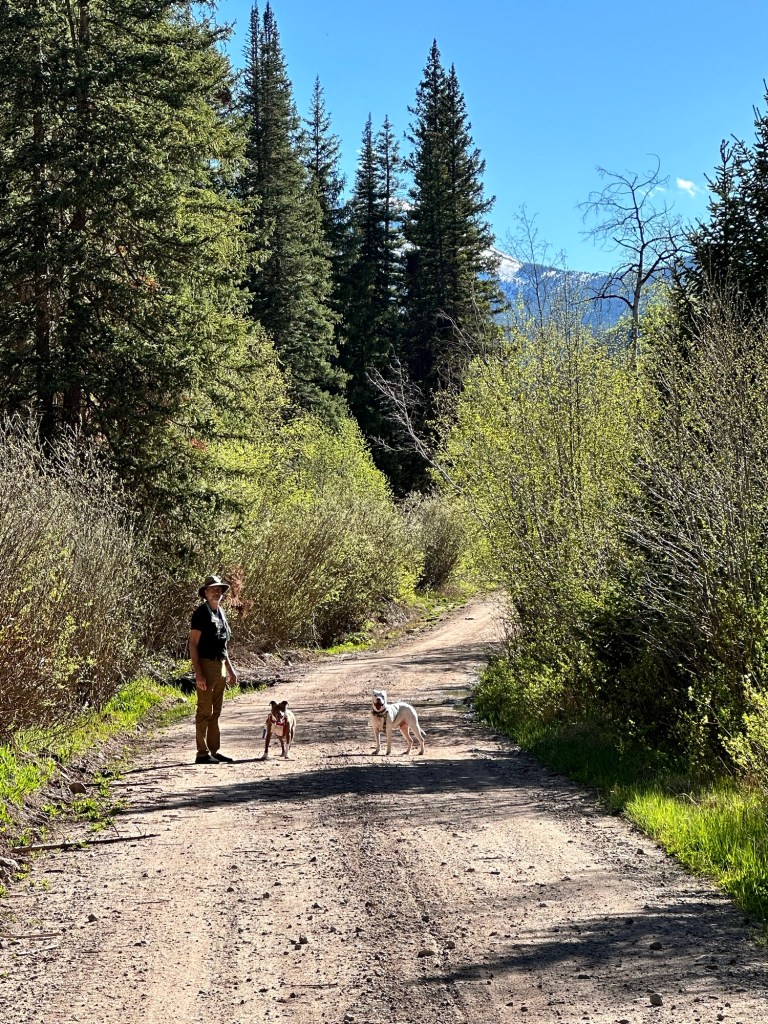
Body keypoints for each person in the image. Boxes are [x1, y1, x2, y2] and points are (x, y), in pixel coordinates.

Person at [189, 574, 238, 764]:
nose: (216, 592)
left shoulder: (220, 613)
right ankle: (202, 754)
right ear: (205, 593)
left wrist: (230, 669)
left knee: (216, 712)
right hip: (206, 665)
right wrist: (198, 673)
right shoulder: (201, 613)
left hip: (220, 667)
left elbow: (222, 646)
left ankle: (214, 751)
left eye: (219, 590)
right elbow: (193, 644)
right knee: (204, 711)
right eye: (212, 590)